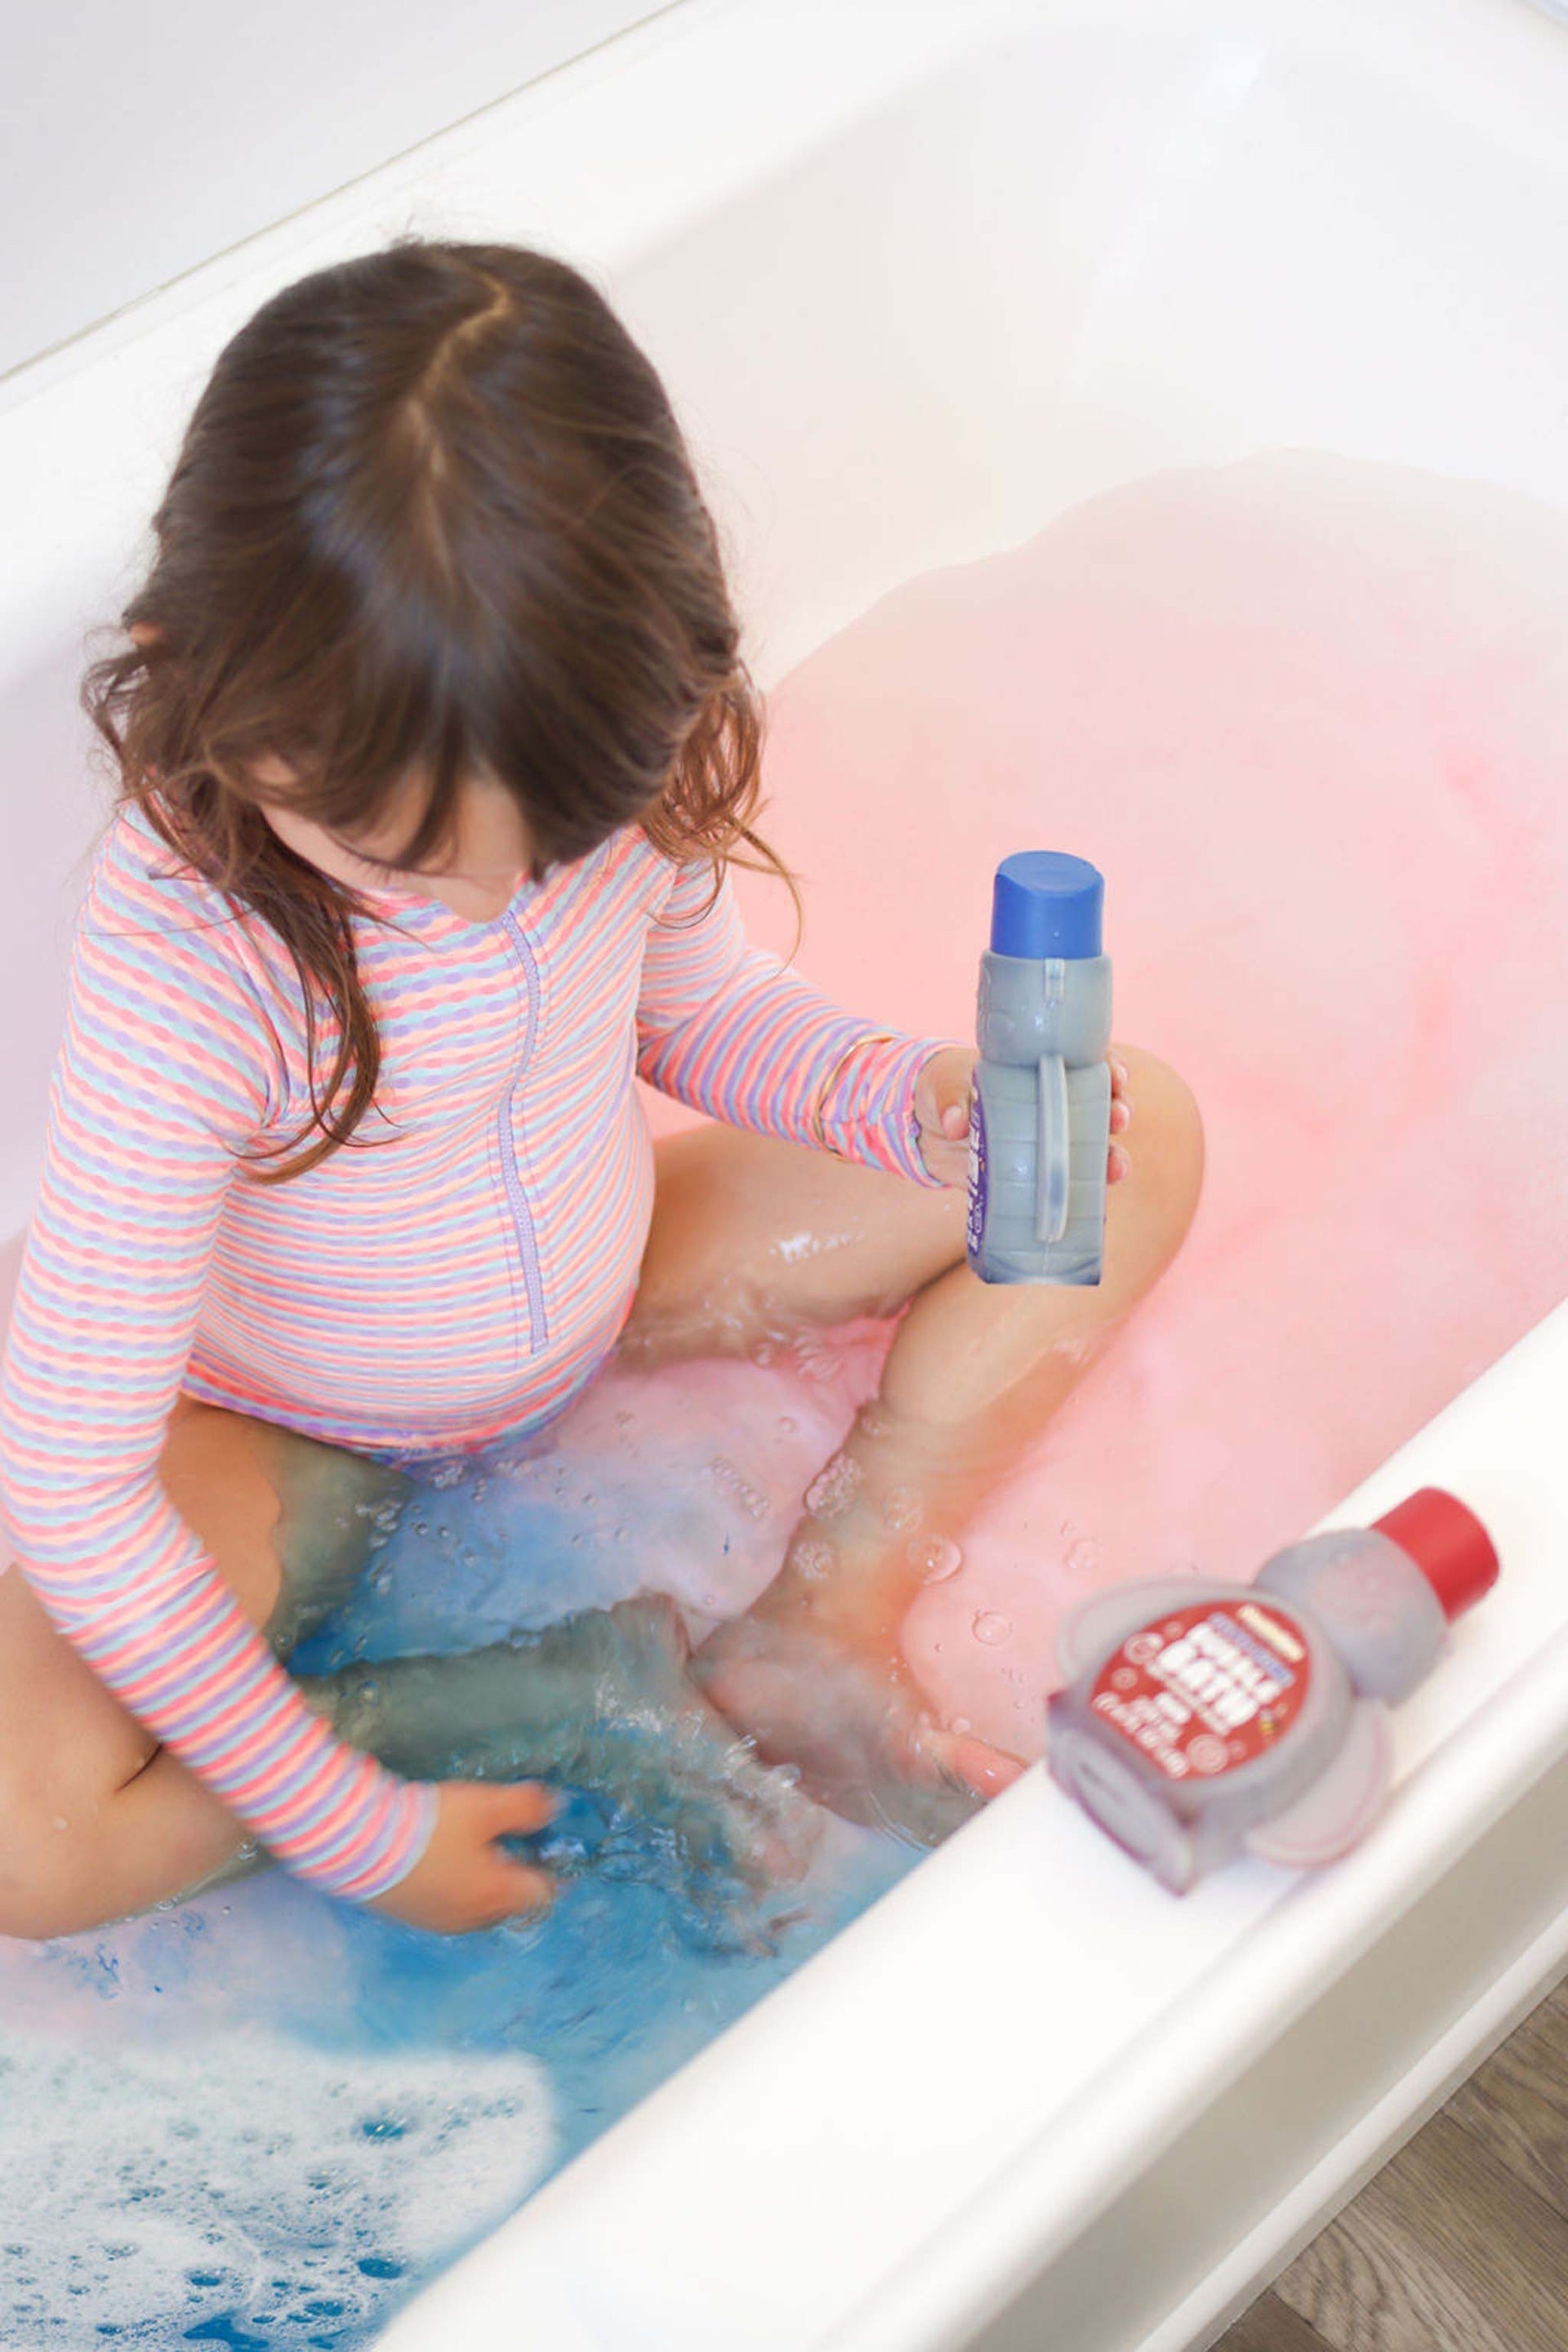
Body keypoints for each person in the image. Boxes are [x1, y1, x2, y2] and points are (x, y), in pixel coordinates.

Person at [0, 240, 1202, 1944]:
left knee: (1111, 1131)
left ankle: (822, 1623)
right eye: (399, 856)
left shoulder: (582, 738)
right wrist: (351, 1825)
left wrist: (906, 1097)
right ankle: (536, 1698)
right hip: (287, 1419)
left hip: (609, 1282)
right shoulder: (186, 967)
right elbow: (70, 1487)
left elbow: (697, 1015)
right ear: (195, 676)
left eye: (547, 844)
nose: (487, 902)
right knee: (19, 1836)